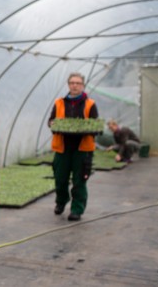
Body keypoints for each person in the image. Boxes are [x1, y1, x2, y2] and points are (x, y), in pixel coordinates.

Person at [48, 72, 98, 222]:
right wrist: (53, 124)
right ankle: (61, 202)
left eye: (78, 83)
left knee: (79, 181)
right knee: (60, 179)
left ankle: (77, 209)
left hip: (82, 150)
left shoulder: (90, 104)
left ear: (83, 85)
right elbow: (51, 121)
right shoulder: (59, 103)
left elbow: (94, 125)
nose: (75, 85)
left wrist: (85, 128)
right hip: (62, 148)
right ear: (68, 85)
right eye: (72, 83)